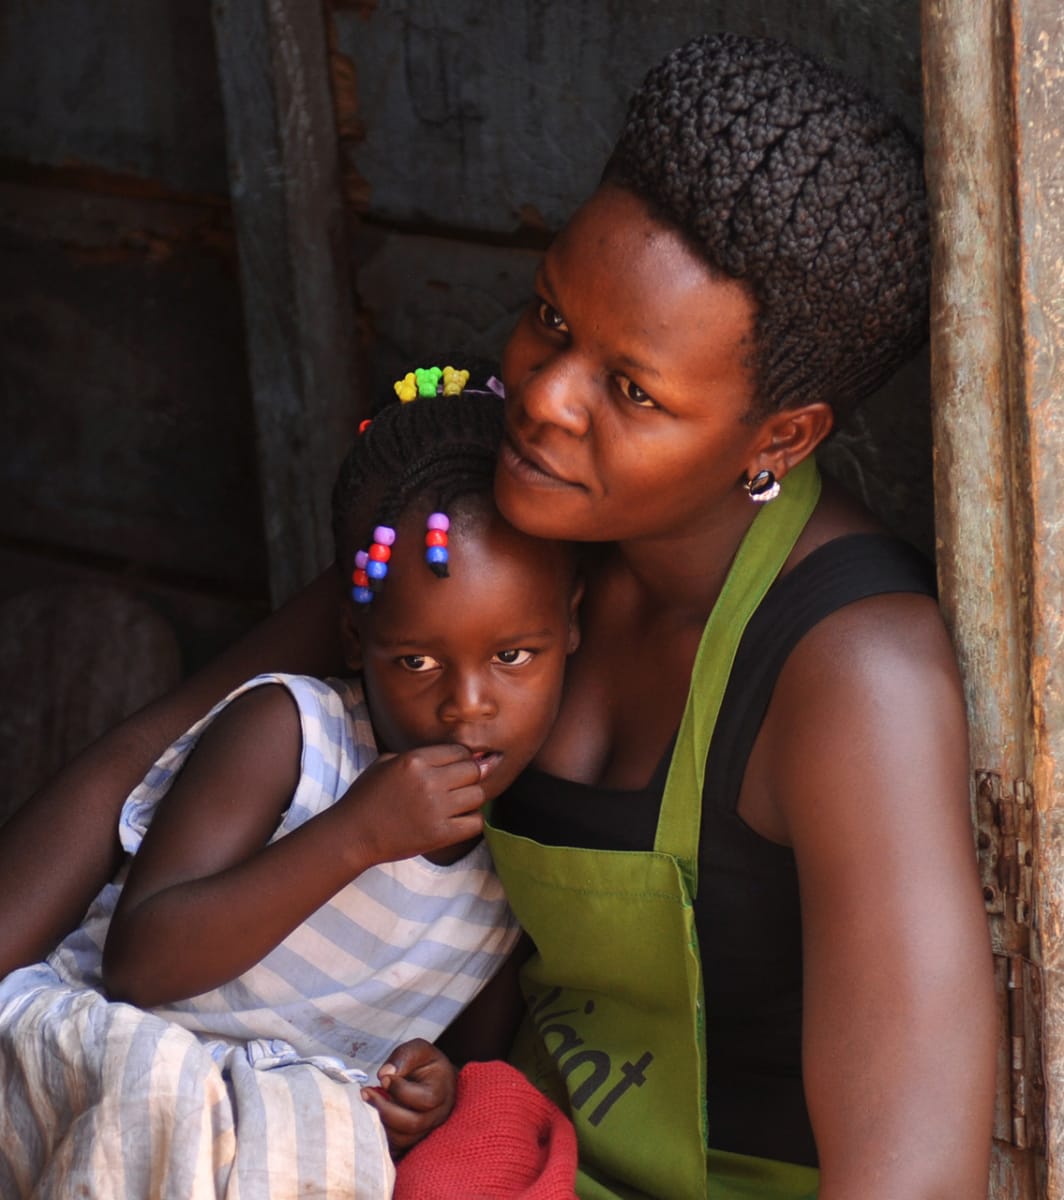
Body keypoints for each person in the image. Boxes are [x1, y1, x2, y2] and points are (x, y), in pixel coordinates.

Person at [0, 32, 995, 1200]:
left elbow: (911, 1179)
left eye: (630, 392)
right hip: (491, 1156)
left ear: (778, 438)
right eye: (549, 319)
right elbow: (145, 759)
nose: (542, 398)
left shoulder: (849, 677)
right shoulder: (486, 538)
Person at [0, 379, 583, 1199]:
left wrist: (432, 1083)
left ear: (573, 628)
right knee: (168, 1094)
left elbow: (468, 1052)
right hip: (120, 1064)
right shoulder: (292, 734)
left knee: (329, 1143)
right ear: (354, 638)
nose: (467, 704)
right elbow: (142, 965)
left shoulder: (517, 863)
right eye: (415, 661)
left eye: (514, 656)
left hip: (273, 1133)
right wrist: (355, 837)